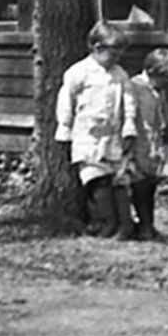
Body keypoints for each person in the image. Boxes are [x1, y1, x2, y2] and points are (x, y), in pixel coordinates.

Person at [54, 21, 137, 239]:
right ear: (97, 48)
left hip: (113, 135)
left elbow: (129, 101)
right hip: (88, 136)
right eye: (112, 53)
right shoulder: (79, 72)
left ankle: (126, 223)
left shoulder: (119, 74)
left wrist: (129, 126)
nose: (116, 59)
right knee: (96, 179)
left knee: (118, 178)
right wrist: (64, 128)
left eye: (119, 54)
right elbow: (66, 100)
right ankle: (107, 221)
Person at [127, 47, 168, 241]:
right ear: (153, 72)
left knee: (151, 187)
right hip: (137, 145)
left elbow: (165, 117)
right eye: (167, 81)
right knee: (140, 187)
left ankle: (149, 225)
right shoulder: (134, 88)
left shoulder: (158, 91)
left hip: (153, 146)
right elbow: (128, 117)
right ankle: (142, 226)